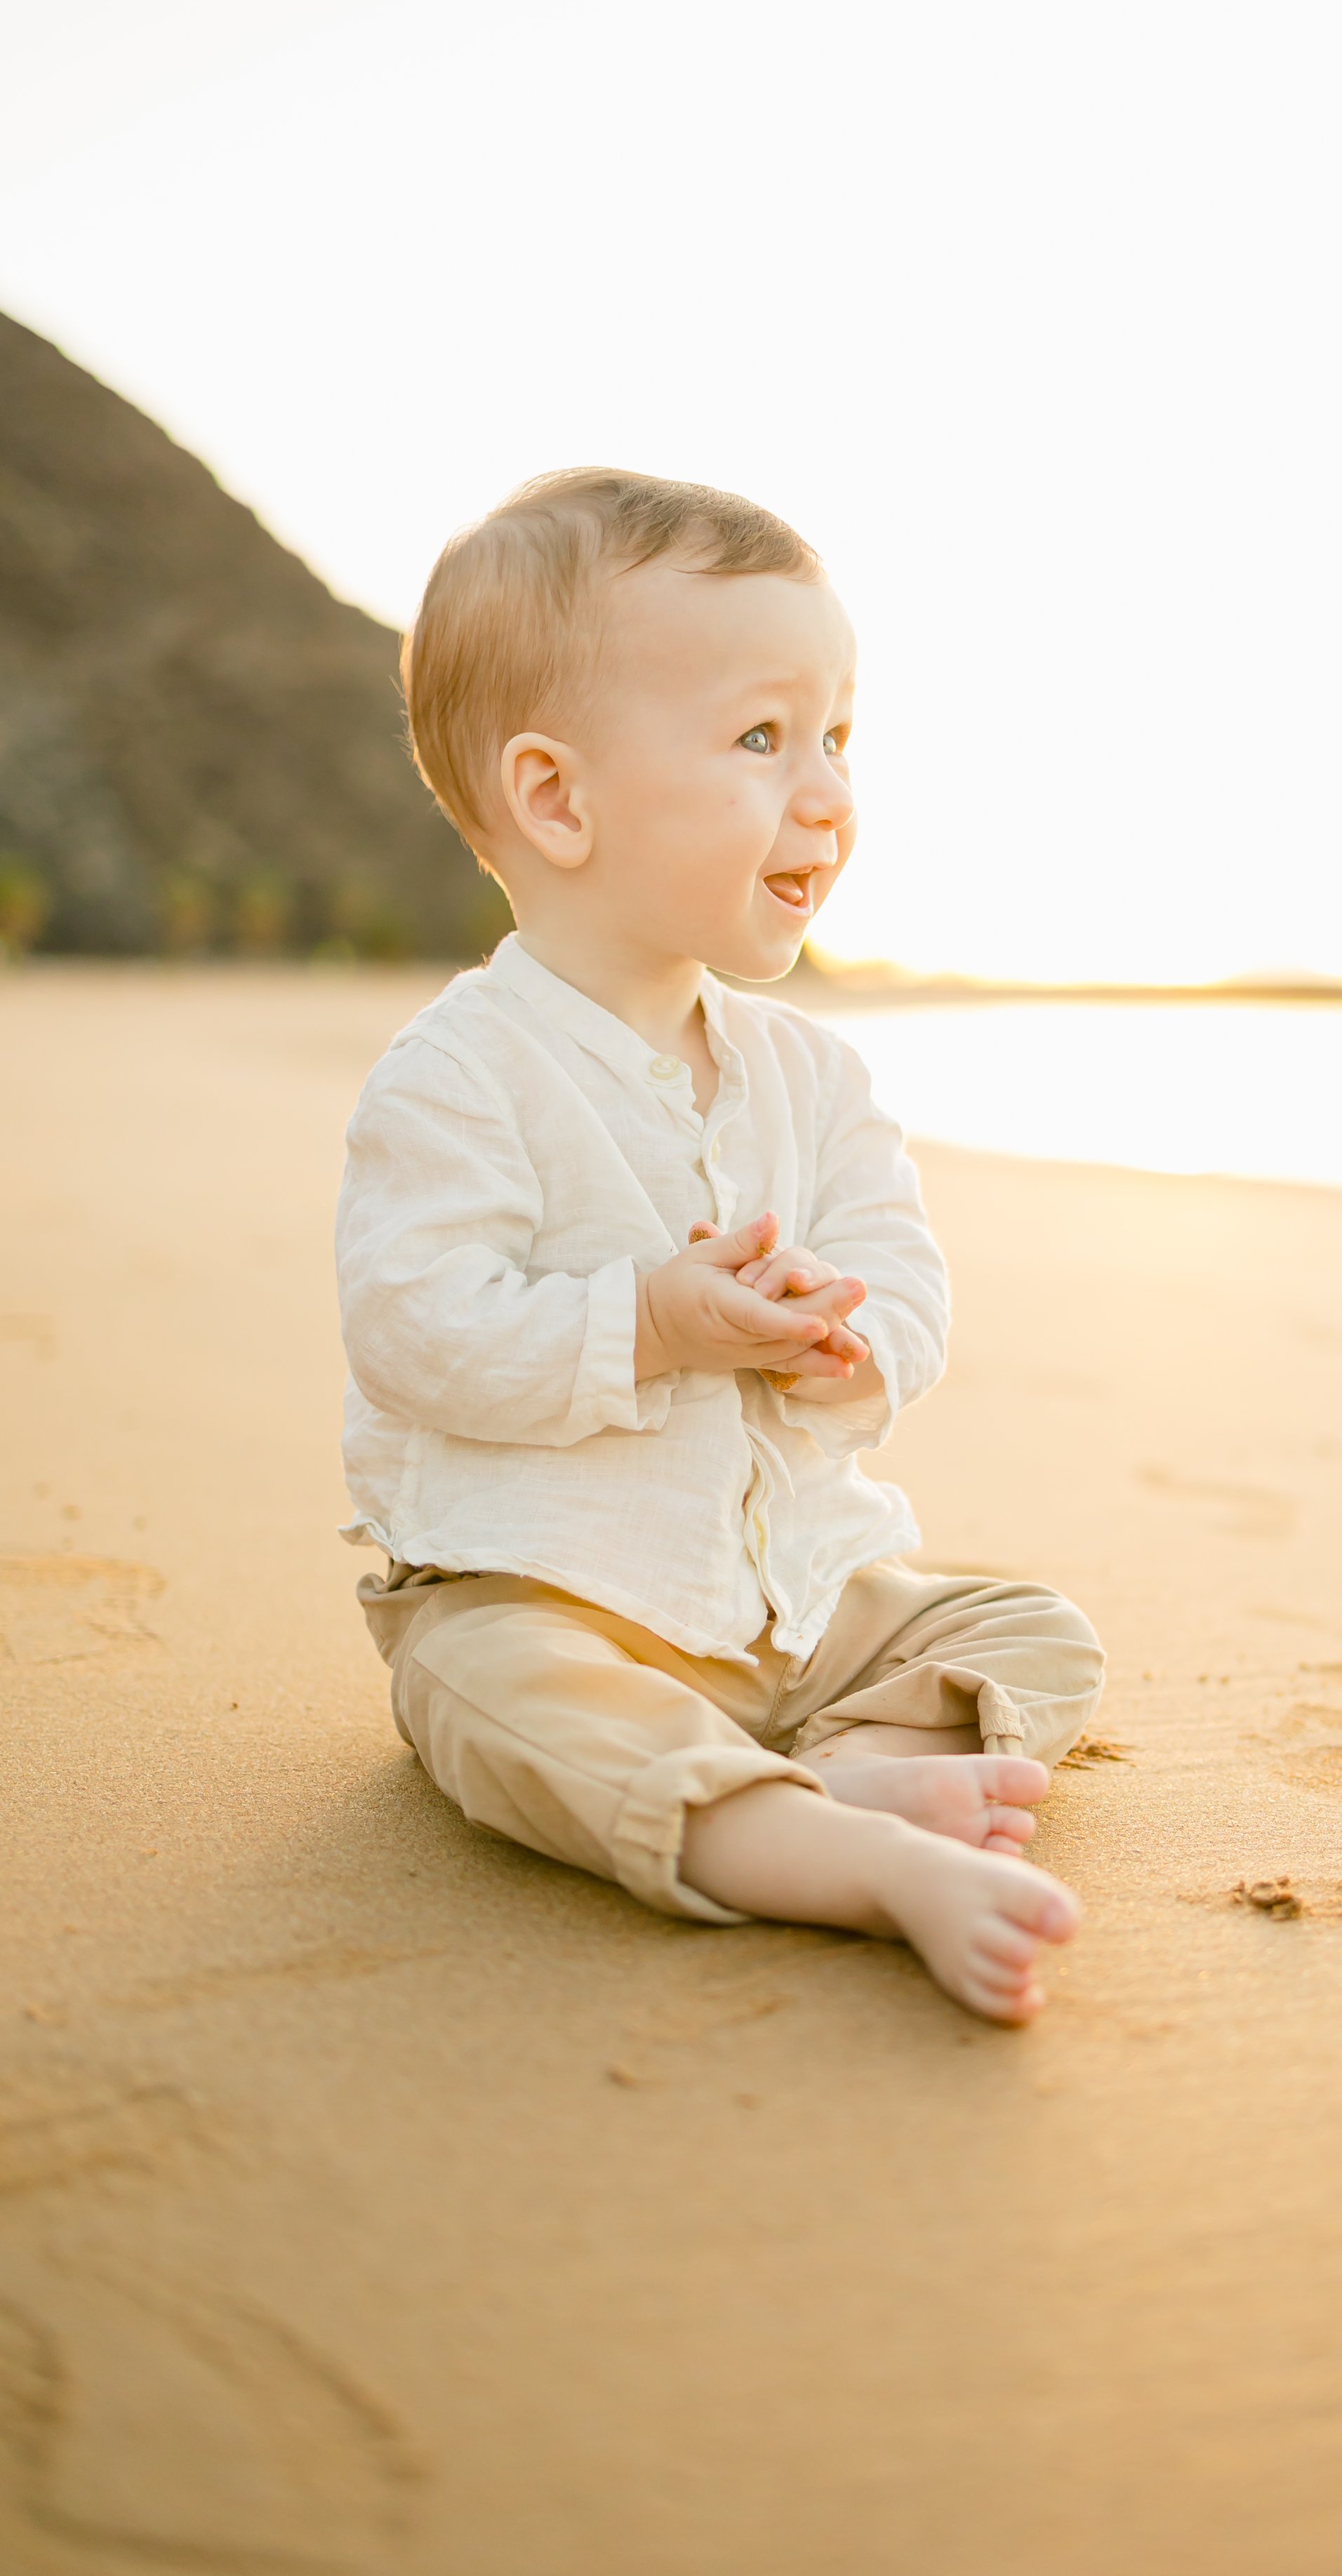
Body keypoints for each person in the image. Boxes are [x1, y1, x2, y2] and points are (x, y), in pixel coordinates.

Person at [336, 469, 1104, 2022]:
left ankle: (845, 1769)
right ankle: (853, 1861)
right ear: (557, 799)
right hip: (536, 1589)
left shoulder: (809, 1076)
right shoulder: (462, 1072)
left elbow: (907, 1278)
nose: (824, 791)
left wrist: (847, 1334)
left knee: (1026, 1625)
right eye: (762, 739)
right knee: (503, 1701)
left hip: (793, 1609)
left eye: (837, 738)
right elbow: (414, 1325)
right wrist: (653, 1325)